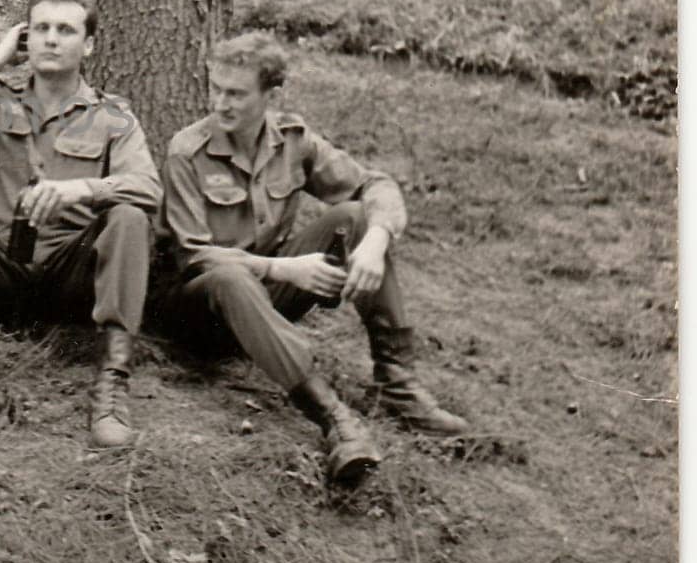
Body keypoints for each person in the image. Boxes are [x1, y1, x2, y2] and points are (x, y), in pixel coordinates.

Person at [160, 30, 469, 485]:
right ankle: (333, 417)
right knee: (229, 274)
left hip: (265, 297)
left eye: (236, 94)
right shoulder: (188, 151)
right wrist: (284, 269)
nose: (221, 103)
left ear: (272, 95)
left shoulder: (294, 141)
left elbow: (377, 184)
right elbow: (193, 255)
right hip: (199, 311)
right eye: (216, 89)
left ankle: (396, 381)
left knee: (356, 215)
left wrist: (376, 241)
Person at [0, 0, 162, 451]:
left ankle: (111, 387)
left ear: (88, 45)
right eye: (40, 28)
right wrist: (1, 54)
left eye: (65, 30)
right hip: (5, 266)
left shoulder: (113, 118)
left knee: (129, 217)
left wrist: (82, 190)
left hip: (74, 275)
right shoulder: (2, 106)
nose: (50, 39)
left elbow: (148, 188)